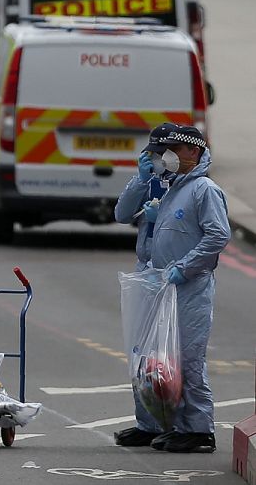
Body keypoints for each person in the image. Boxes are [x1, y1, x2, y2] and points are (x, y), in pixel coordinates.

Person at [120, 125, 230, 453]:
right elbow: (123, 214)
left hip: (190, 287)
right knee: (153, 358)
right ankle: (158, 422)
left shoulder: (204, 189)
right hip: (160, 284)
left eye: (173, 150)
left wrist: (185, 267)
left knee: (187, 359)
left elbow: (218, 235)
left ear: (193, 152)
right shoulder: (172, 187)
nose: (166, 157)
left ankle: (198, 430)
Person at [113, 123, 180, 447]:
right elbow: (122, 213)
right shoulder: (149, 180)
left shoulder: (187, 185)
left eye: (161, 154)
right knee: (141, 353)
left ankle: (177, 423)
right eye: (152, 154)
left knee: (170, 354)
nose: (156, 159)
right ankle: (148, 421)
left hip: (174, 274)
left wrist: (161, 215)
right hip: (146, 270)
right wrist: (140, 180)